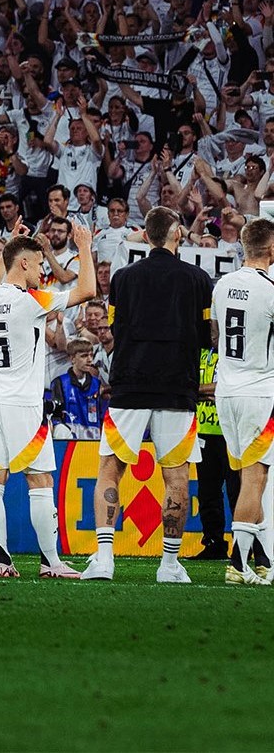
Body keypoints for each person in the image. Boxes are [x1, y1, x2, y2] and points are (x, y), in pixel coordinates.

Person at [82, 207, 212, 583]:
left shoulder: (123, 279)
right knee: (176, 477)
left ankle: (104, 559)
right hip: (178, 387)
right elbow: (207, 338)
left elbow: (113, 328)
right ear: (174, 234)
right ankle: (170, 565)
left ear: (148, 235)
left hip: (129, 386)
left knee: (110, 470)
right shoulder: (199, 279)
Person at [0, 225, 96, 578]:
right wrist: (84, 246)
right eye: (40, 263)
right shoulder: (32, 301)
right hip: (24, 407)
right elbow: (88, 289)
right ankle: (50, 562)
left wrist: (10, 244)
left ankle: (2, 558)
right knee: (40, 481)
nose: (44, 271)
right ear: (25, 264)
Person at [209, 218, 274, 586]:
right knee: (255, 478)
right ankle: (238, 563)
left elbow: (217, 332)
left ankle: (261, 558)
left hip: (226, 391)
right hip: (258, 393)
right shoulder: (270, 289)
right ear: (271, 250)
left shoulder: (223, 285)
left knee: (249, 477)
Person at [188, 346, 239, 562]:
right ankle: (213, 543)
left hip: (230, 432)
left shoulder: (232, 353)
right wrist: (208, 392)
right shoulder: (198, 353)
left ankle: (242, 545)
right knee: (208, 492)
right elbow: (185, 384)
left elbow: (227, 386)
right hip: (204, 433)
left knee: (237, 491)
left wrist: (197, 390)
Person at [50, 338, 104, 440]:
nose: (89, 360)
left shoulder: (97, 384)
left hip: (94, 440)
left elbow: (101, 416)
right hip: (69, 441)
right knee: (60, 430)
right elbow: (55, 417)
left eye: (91, 355)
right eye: (84, 356)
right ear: (72, 359)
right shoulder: (60, 383)